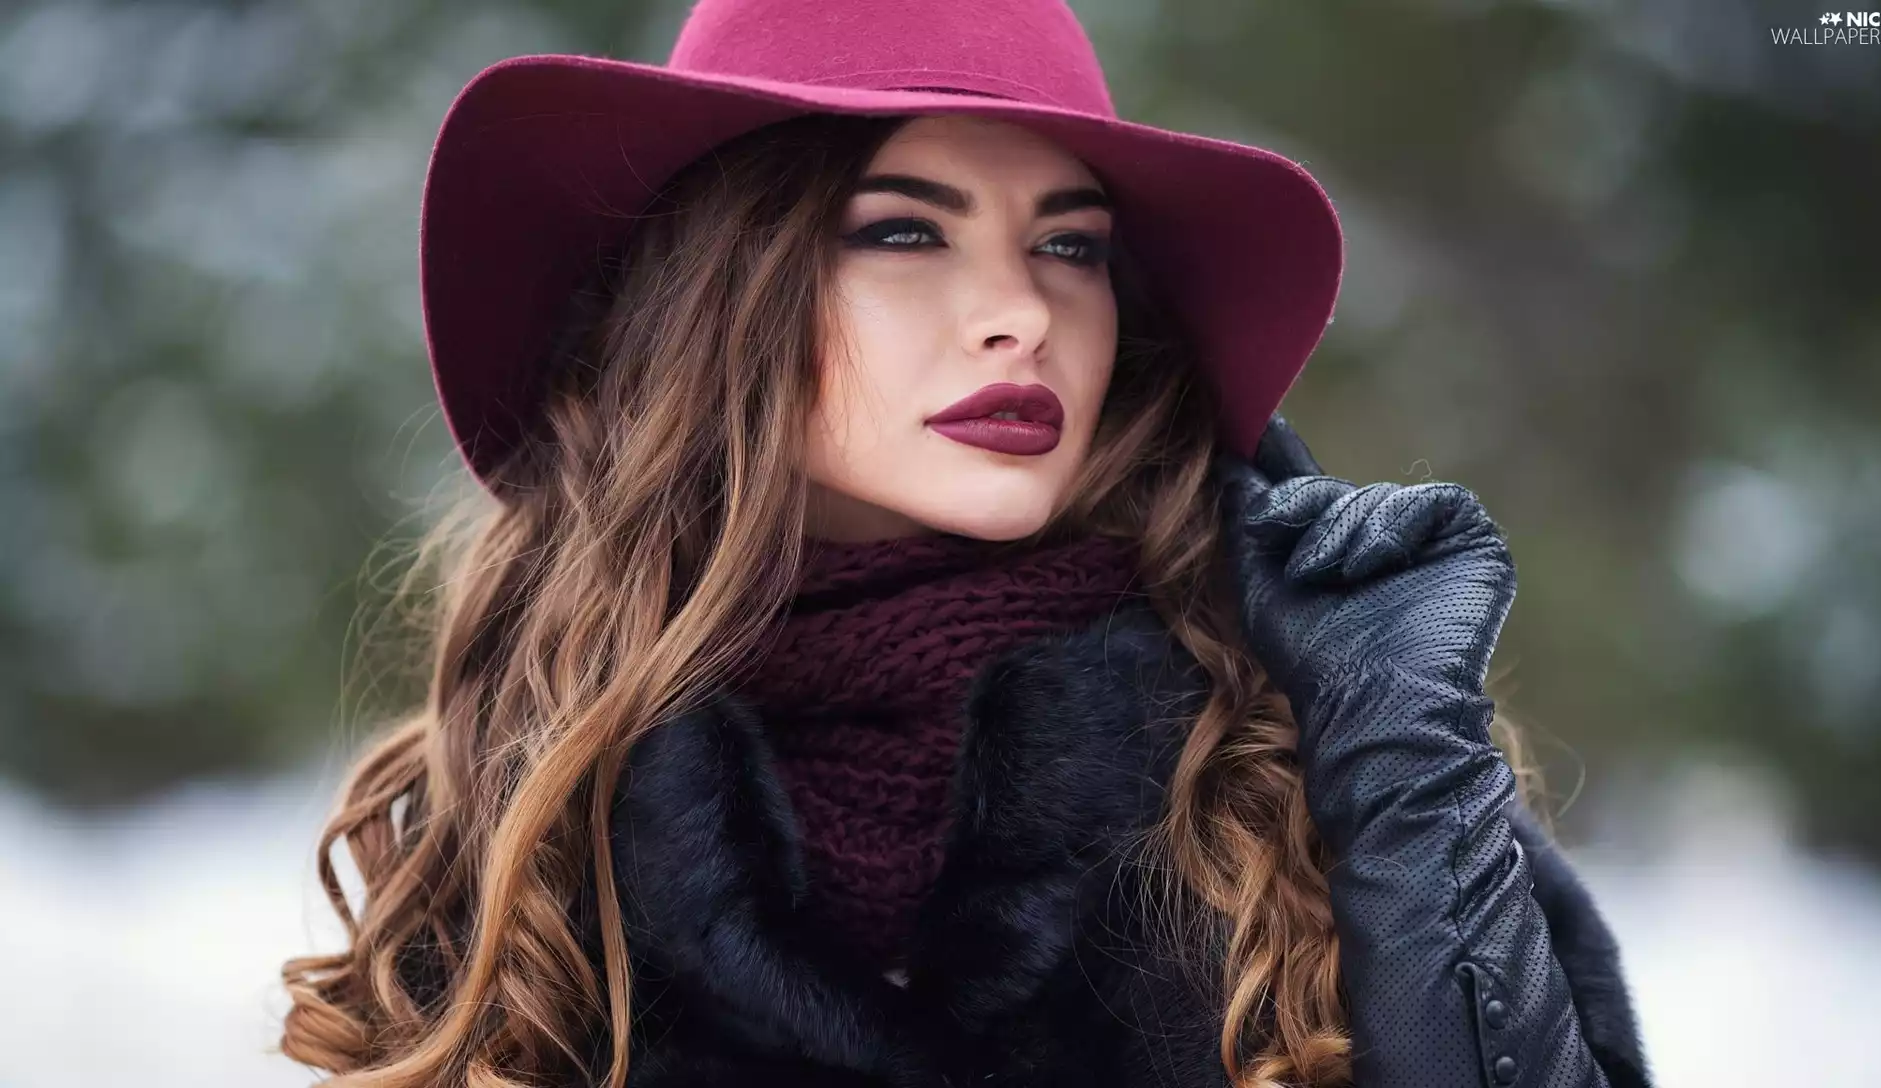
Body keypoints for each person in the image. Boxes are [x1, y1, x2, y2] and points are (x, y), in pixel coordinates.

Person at [280, 0, 1654, 1085]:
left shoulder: (1288, 752)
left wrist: (1406, 778)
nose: (1020, 313)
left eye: (1070, 246)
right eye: (903, 231)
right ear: (720, 296)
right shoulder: (530, 788)